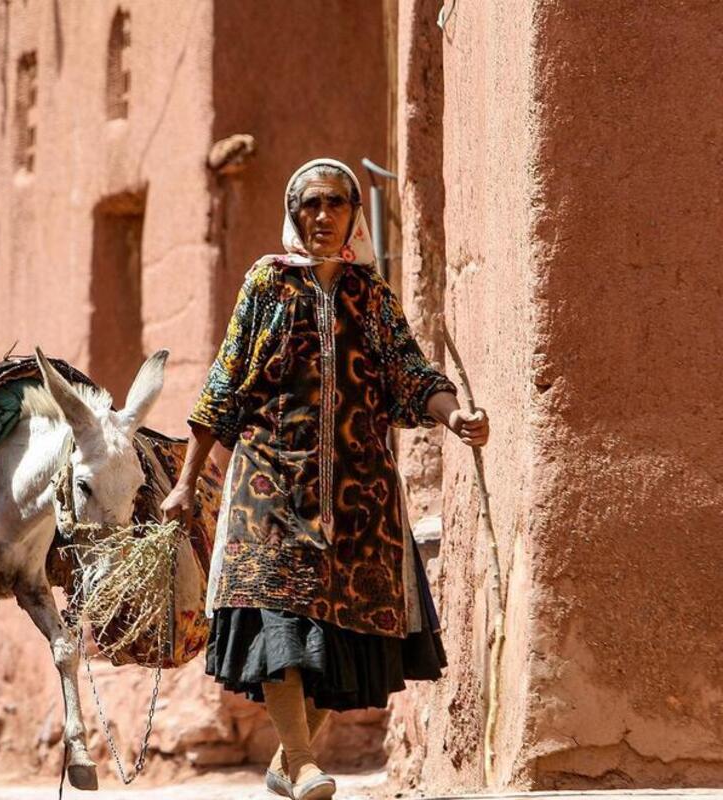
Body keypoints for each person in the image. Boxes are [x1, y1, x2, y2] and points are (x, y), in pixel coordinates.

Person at [161, 158, 489, 800]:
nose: (321, 215)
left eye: (334, 203)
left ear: (352, 214)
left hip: (361, 495)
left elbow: (412, 376)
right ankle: (305, 762)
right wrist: (186, 481)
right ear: (293, 211)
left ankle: (290, 760)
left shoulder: (372, 295)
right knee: (281, 616)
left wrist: (457, 417)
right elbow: (225, 384)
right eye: (309, 203)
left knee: (347, 635)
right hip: (270, 484)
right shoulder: (266, 283)